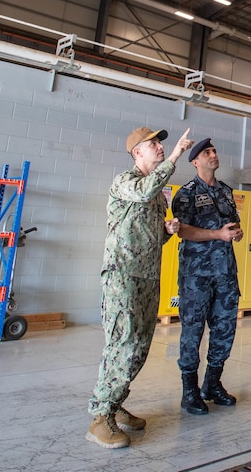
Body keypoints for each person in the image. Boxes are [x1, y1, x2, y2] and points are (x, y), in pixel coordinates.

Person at [86, 125, 193, 449]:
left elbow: (151, 237)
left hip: (147, 277)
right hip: (123, 276)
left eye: (162, 144)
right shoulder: (126, 182)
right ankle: (100, 417)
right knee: (123, 344)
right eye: (154, 144)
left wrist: (168, 230)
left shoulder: (156, 194)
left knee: (140, 347)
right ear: (137, 153)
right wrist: (175, 156)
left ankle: (115, 404)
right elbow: (146, 190)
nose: (160, 147)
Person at [171, 137, 244, 415]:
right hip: (197, 275)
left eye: (214, 150)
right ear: (195, 161)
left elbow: (233, 224)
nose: (213, 155)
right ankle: (189, 392)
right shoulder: (186, 193)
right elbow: (183, 230)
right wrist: (218, 235)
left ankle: (212, 384)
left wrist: (236, 234)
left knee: (225, 329)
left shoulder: (226, 191)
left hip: (225, 272)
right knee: (192, 331)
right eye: (207, 152)